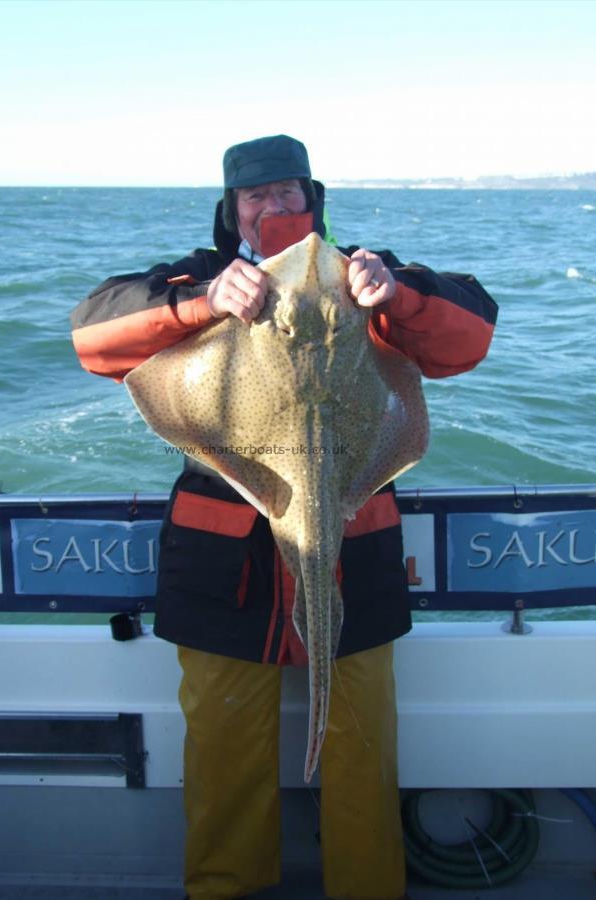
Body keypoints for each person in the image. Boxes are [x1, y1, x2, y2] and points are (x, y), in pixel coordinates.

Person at [71, 135, 497, 900]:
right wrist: (203, 304)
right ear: (230, 208)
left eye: (289, 193)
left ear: (315, 200)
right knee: (224, 754)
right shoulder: (200, 276)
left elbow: (469, 334)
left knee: (361, 750)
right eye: (255, 196)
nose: (274, 207)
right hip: (223, 565)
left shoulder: (364, 273)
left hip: (351, 550)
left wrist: (392, 292)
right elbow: (92, 333)